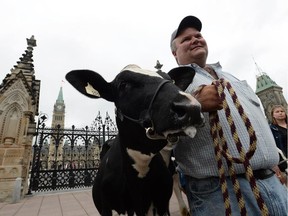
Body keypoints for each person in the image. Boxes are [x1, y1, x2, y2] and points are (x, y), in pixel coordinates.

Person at [170, 15, 288, 215]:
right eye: (186, 39)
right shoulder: (171, 84)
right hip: (221, 191)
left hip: (272, 183)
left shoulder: (234, 78)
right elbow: (160, 125)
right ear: (175, 53)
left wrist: (274, 162)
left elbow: (258, 121)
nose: (195, 39)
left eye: (198, 35)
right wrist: (195, 103)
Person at [270, 105, 287, 184]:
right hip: (285, 161)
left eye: (282, 111)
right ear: (273, 115)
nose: (280, 113)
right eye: (277, 112)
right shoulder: (272, 129)